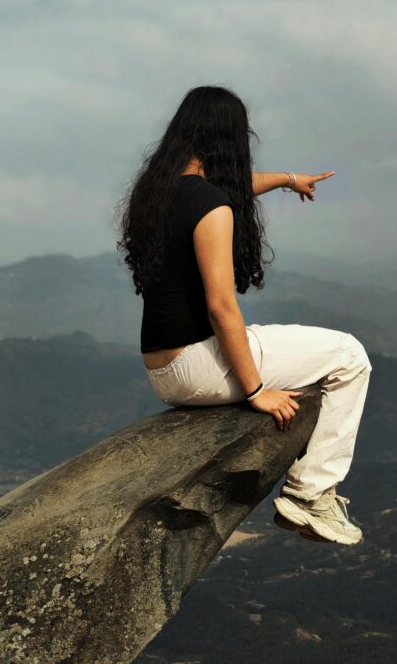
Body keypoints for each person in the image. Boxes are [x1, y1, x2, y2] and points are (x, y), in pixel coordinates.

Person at [115, 85, 371, 546]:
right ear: (228, 137)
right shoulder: (211, 207)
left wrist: (289, 178)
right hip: (197, 364)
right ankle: (311, 494)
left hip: (162, 367)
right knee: (349, 356)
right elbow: (221, 306)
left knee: (300, 347)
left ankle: (310, 490)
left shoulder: (158, 193)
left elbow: (231, 186)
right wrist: (256, 391)